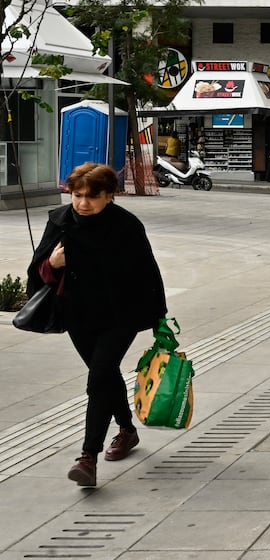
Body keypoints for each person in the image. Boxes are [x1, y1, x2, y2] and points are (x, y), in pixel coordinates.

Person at [26, 163, 168, 487]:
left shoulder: (126, 226)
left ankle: (88, 458)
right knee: (105, 375)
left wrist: (159, 317)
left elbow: (148, 271)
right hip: (78, 315)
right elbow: (38, 270)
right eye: (77, 195)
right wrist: (53, 263)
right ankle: (127, 430)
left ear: (108, 196)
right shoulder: (59, 222)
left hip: (121, 316)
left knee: (99, 377)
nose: (83, 203)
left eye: (92, 196)